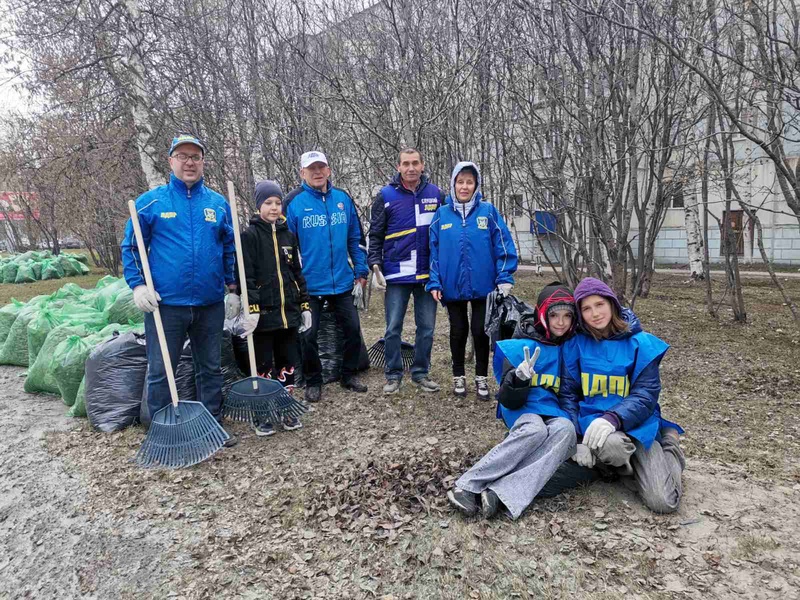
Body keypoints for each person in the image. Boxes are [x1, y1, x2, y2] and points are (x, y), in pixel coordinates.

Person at [121, 134, 239, 446]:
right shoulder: (151, 202)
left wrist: (231, 288)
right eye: (183, 156)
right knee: (161, 371)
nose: (189, 162)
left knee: (210, 368)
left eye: (195, 157)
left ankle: (212, 423)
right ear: (171, 161)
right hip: (167, 305)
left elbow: (229, 247)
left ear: (203, 162)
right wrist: (138, 285)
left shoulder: (216, 203)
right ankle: (161, 430)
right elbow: (132, 247)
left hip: (209, 303)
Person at [447, 283, 578, 519]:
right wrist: (518, 378)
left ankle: (501, 493)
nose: (561, 322)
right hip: (522, 406)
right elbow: (507, 398)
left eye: (567, 316)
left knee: (566, 430)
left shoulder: (570, 346)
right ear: (542, 314)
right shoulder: (522, 342)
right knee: (535, 430)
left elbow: (569, 393)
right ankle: (466, 486)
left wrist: (575, 425)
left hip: (553, 409)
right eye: (554, 315)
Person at [555, 277, 685, 513]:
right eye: (586, 308)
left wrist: (614, 419)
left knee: (663, 502)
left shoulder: (640, 343)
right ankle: (621, 465)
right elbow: (568, 395)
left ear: (612, 304)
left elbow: (646, 394)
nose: (595, 313)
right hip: (593, 426)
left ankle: (669, 444)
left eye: (599, 304)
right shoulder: (574, 345)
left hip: (638, 425)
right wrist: (576, 437)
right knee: (612, 447)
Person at [427, 161, 518, 400]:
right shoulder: (441, 215)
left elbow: (503, 245)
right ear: (453, 184)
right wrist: (434, 282)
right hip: (452, 285)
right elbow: (433, 252)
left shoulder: (488, 212)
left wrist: (504, 277)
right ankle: (458, 376)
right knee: (458, 331)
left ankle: (481, 378)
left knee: (480, 331)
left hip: (484, 286)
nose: (465, 187)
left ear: (476, 185)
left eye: (470, 182)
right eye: (460, 181)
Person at [284, 151, 370, 403]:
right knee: (308, 335)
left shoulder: (342, 199)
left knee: (353, 330)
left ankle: (348, 374)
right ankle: (313, 380)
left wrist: (361, 272)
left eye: (321, 167)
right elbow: (286, 247)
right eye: (311, 168)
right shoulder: (294, 203)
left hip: (343, 281)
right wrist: (293, 281)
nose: (317, 172)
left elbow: (356, 239)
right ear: (302, 173)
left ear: (329, 170)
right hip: (309, 285)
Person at [368, 148, 444, 394]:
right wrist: (374, 265)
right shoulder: (385, 195)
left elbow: (445, 233)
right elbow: (376, 234)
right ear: (398, 167)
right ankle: (393, 374)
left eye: (415, 163)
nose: (411, 168)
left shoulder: (436, 194)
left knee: (427, 328)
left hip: (427, 276)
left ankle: (420, 373)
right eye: (406, 164)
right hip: (396, 274)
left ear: (422, 166)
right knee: (392, 328)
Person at [239, 180, 312, 436]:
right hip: (263, 316)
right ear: (259, 205)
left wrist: (304, 304)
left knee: (287, 362)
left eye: (277, 203)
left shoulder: (288, 236)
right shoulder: (249, 237)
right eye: (268, 203)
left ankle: (285, 406)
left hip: (287, 313)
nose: (273, 208)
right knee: (262, 365)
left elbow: (297, 272)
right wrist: (252, 307)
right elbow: (245, 276)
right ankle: (261, 413)